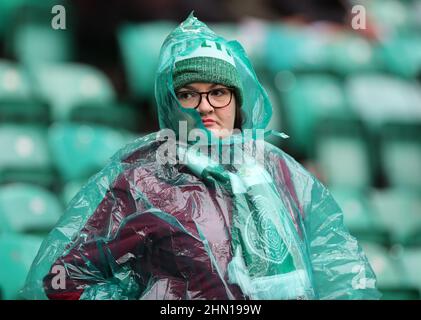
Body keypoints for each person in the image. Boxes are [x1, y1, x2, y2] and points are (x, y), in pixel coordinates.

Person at [22, 13, 380, 300]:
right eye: (189, 94)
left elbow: (338, 264)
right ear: (169, 104)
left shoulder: (279, 171)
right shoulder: (143, 180)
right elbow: (64, 278)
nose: (206, 106)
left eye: (219, 92)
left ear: (238, 102)